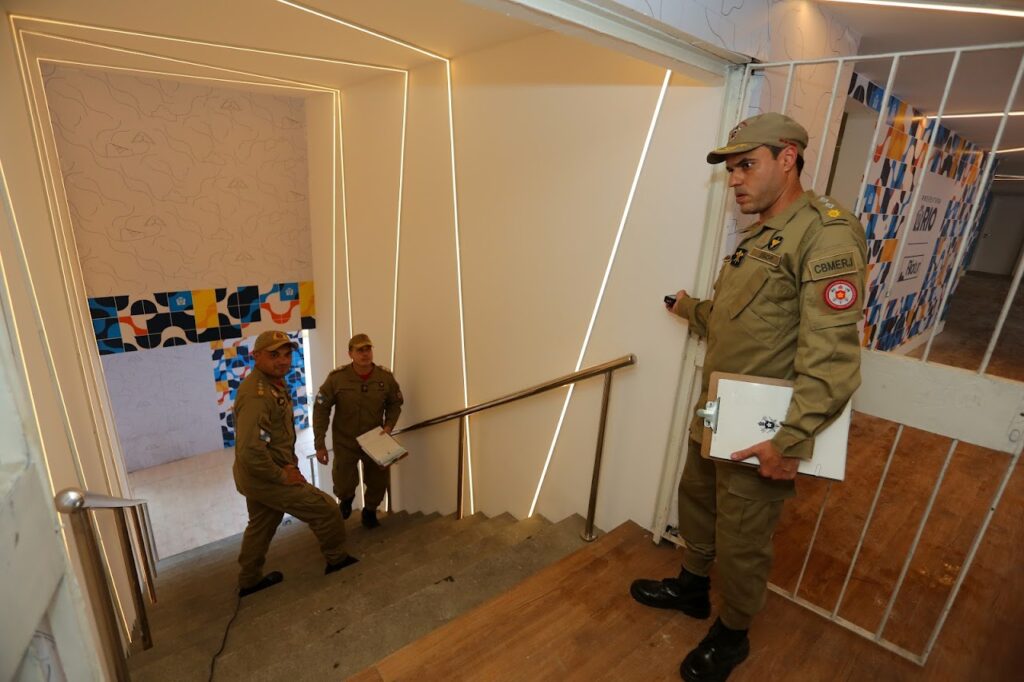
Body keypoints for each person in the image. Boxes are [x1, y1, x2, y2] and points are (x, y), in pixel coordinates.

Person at [631, 113, 867, 681]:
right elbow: (742, 318)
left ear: (787, 159)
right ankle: (692, 586)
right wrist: (690, 308)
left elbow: (831, 358)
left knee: (742, 537)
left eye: (746, 165)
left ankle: (732, 633)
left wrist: (791, 440)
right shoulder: (763, 233)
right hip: (718, 408)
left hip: (760, 428)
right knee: (698, 501)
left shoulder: (825, 234)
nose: (735, 179)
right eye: (731, 168)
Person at [232, 330, 358, 597]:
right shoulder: (257, 395)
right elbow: (250, 452)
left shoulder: (270, 383)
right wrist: (282, 475)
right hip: (266, 475)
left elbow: (272, 435)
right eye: (274, 355)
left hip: (257, 475)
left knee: (262, 523)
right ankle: (338, 562)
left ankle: (249, 580)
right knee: (326, 510)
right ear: (256, 356)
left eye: (287, 354)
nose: (282, 360)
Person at [312, 333, 403, 529]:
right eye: (359, 350)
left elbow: (395, 404)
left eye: (368, 349)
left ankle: (369, 511)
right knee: (343, 481)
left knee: (378, 481)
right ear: (350, 354)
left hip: (375, 439)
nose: (365, 354)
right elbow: (321, 409)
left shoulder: (384, 377)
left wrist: (389, 426)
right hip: (346, 441)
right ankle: (346, 498)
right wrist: (319, 443)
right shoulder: (337, 378)